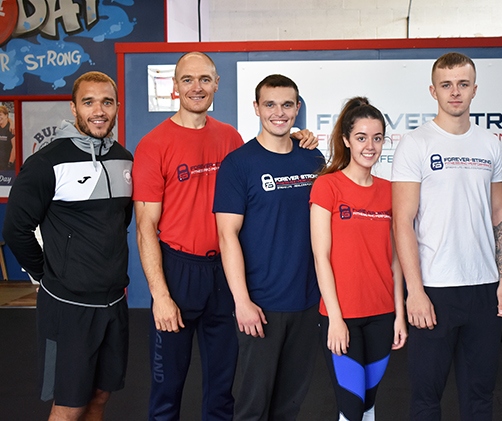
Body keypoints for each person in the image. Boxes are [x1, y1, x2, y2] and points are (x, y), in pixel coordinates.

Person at [133, 54, 317, 420]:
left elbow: (268, 153)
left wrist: (298, 137)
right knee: (167, 387)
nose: (196, 87)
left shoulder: (230, 138)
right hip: (179, 271)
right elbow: (144, 227)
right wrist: (160, 295)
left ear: (217, 84)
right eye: (187, 80)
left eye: (204, 79)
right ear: (174, 86)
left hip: (225, 273)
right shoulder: (154, 144)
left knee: (222, 389)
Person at [391, 52, 502, 421]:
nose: (455, 92)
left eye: (463, 84)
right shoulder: (415, 143)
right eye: (446, 85)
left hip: (484, 288)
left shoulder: (491, 144)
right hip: (435, 289)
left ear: (475, 89)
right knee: (427, 398)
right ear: (433, 90)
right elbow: (403, 221)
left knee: (480, 396)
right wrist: (415, 291)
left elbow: (499, 213)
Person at [2, 71, 132, 420]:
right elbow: (16, 230)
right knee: (69, 404)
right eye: (88, 102)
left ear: (117, 106)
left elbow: (122, 222)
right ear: (73, 108)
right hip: (68, 306)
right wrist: (49, 273)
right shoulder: (47, 162)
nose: (99, 110)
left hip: (114, 302)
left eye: (106, 102)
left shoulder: (124, 158)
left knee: (101, 396)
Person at [214, 74, 324, 420]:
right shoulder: (239, 164)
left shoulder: (313, 159)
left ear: (298, 108)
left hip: (307, 302)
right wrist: (242, 301)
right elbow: (226, 236)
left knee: (289, 405)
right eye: (270, 104)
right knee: (253, 407)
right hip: (261, 305)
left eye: (287, 104)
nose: (279, 112)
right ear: (257, 108)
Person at [309, 97, 408, 420]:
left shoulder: (389, 190)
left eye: (377, 138)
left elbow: (395, 260)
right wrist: (335, 319)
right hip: (344, 316)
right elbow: (320, 256)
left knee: (367, 403)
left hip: (382, 315)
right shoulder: (327, 186)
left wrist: (399, 314)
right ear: (347, 140)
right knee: (350, 407)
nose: (370, 146)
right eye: (362, 137)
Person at [0, 105, 15, 169]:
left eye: (0, 115)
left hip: (8, 165)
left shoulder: (11, 128)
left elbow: (15, 147)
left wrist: (10, 163)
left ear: (6, 115)